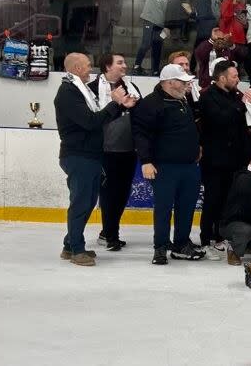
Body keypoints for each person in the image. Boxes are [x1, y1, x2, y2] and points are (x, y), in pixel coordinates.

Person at [54, 53, 134, 266]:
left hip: (89, 155)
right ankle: (76, 250)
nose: (91, 69)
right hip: (78, 156)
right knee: (81, 203)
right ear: (77, 68)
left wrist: (120, 105)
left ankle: (70, 245)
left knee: (87, 202)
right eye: (88, 65)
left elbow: (98, 119)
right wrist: (115, 103)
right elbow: (90, 122)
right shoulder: (68, 92)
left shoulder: (79, 90)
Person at [131, 64, 205, 265]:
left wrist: (196, 146)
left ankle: (181, 244)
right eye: (182, 81)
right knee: (163, 208)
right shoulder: (151, 104)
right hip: (165, 167)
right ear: (170, 82)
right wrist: (146, 161)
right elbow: (141, 134)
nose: (187, 84)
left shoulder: (182, 99)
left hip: (189, 166)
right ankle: (161, 246)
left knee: (186, 207)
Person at [86, 53, 142, 251]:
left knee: (122, 194)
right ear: (107, 66)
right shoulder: (92, 88)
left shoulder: (131, 88)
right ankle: (110, 234)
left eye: (124, 62)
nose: (124, 65)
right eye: (120, 63)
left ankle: (108, 232)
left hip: (128, 150)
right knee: (109, 194)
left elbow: (139, 114)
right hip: (105, 150)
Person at [199, 60, 251, 256]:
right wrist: (242, 106)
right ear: (222, 78)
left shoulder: (234, 96)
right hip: (214, 160)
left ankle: (219, 235)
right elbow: (219, 119)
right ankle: (206, 238)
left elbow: (241, 128)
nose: (238, 79)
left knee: (226, 201)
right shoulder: (208, 96)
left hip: (234, 160)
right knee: (212, 199)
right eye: (234, 76)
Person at [132, 0, 169, 76]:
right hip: (149, 20)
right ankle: (136, 66)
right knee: (146, 43)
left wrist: (167, 26)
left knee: (157, 46)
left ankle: (155, 70)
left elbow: (167, 10)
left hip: (160, 23)